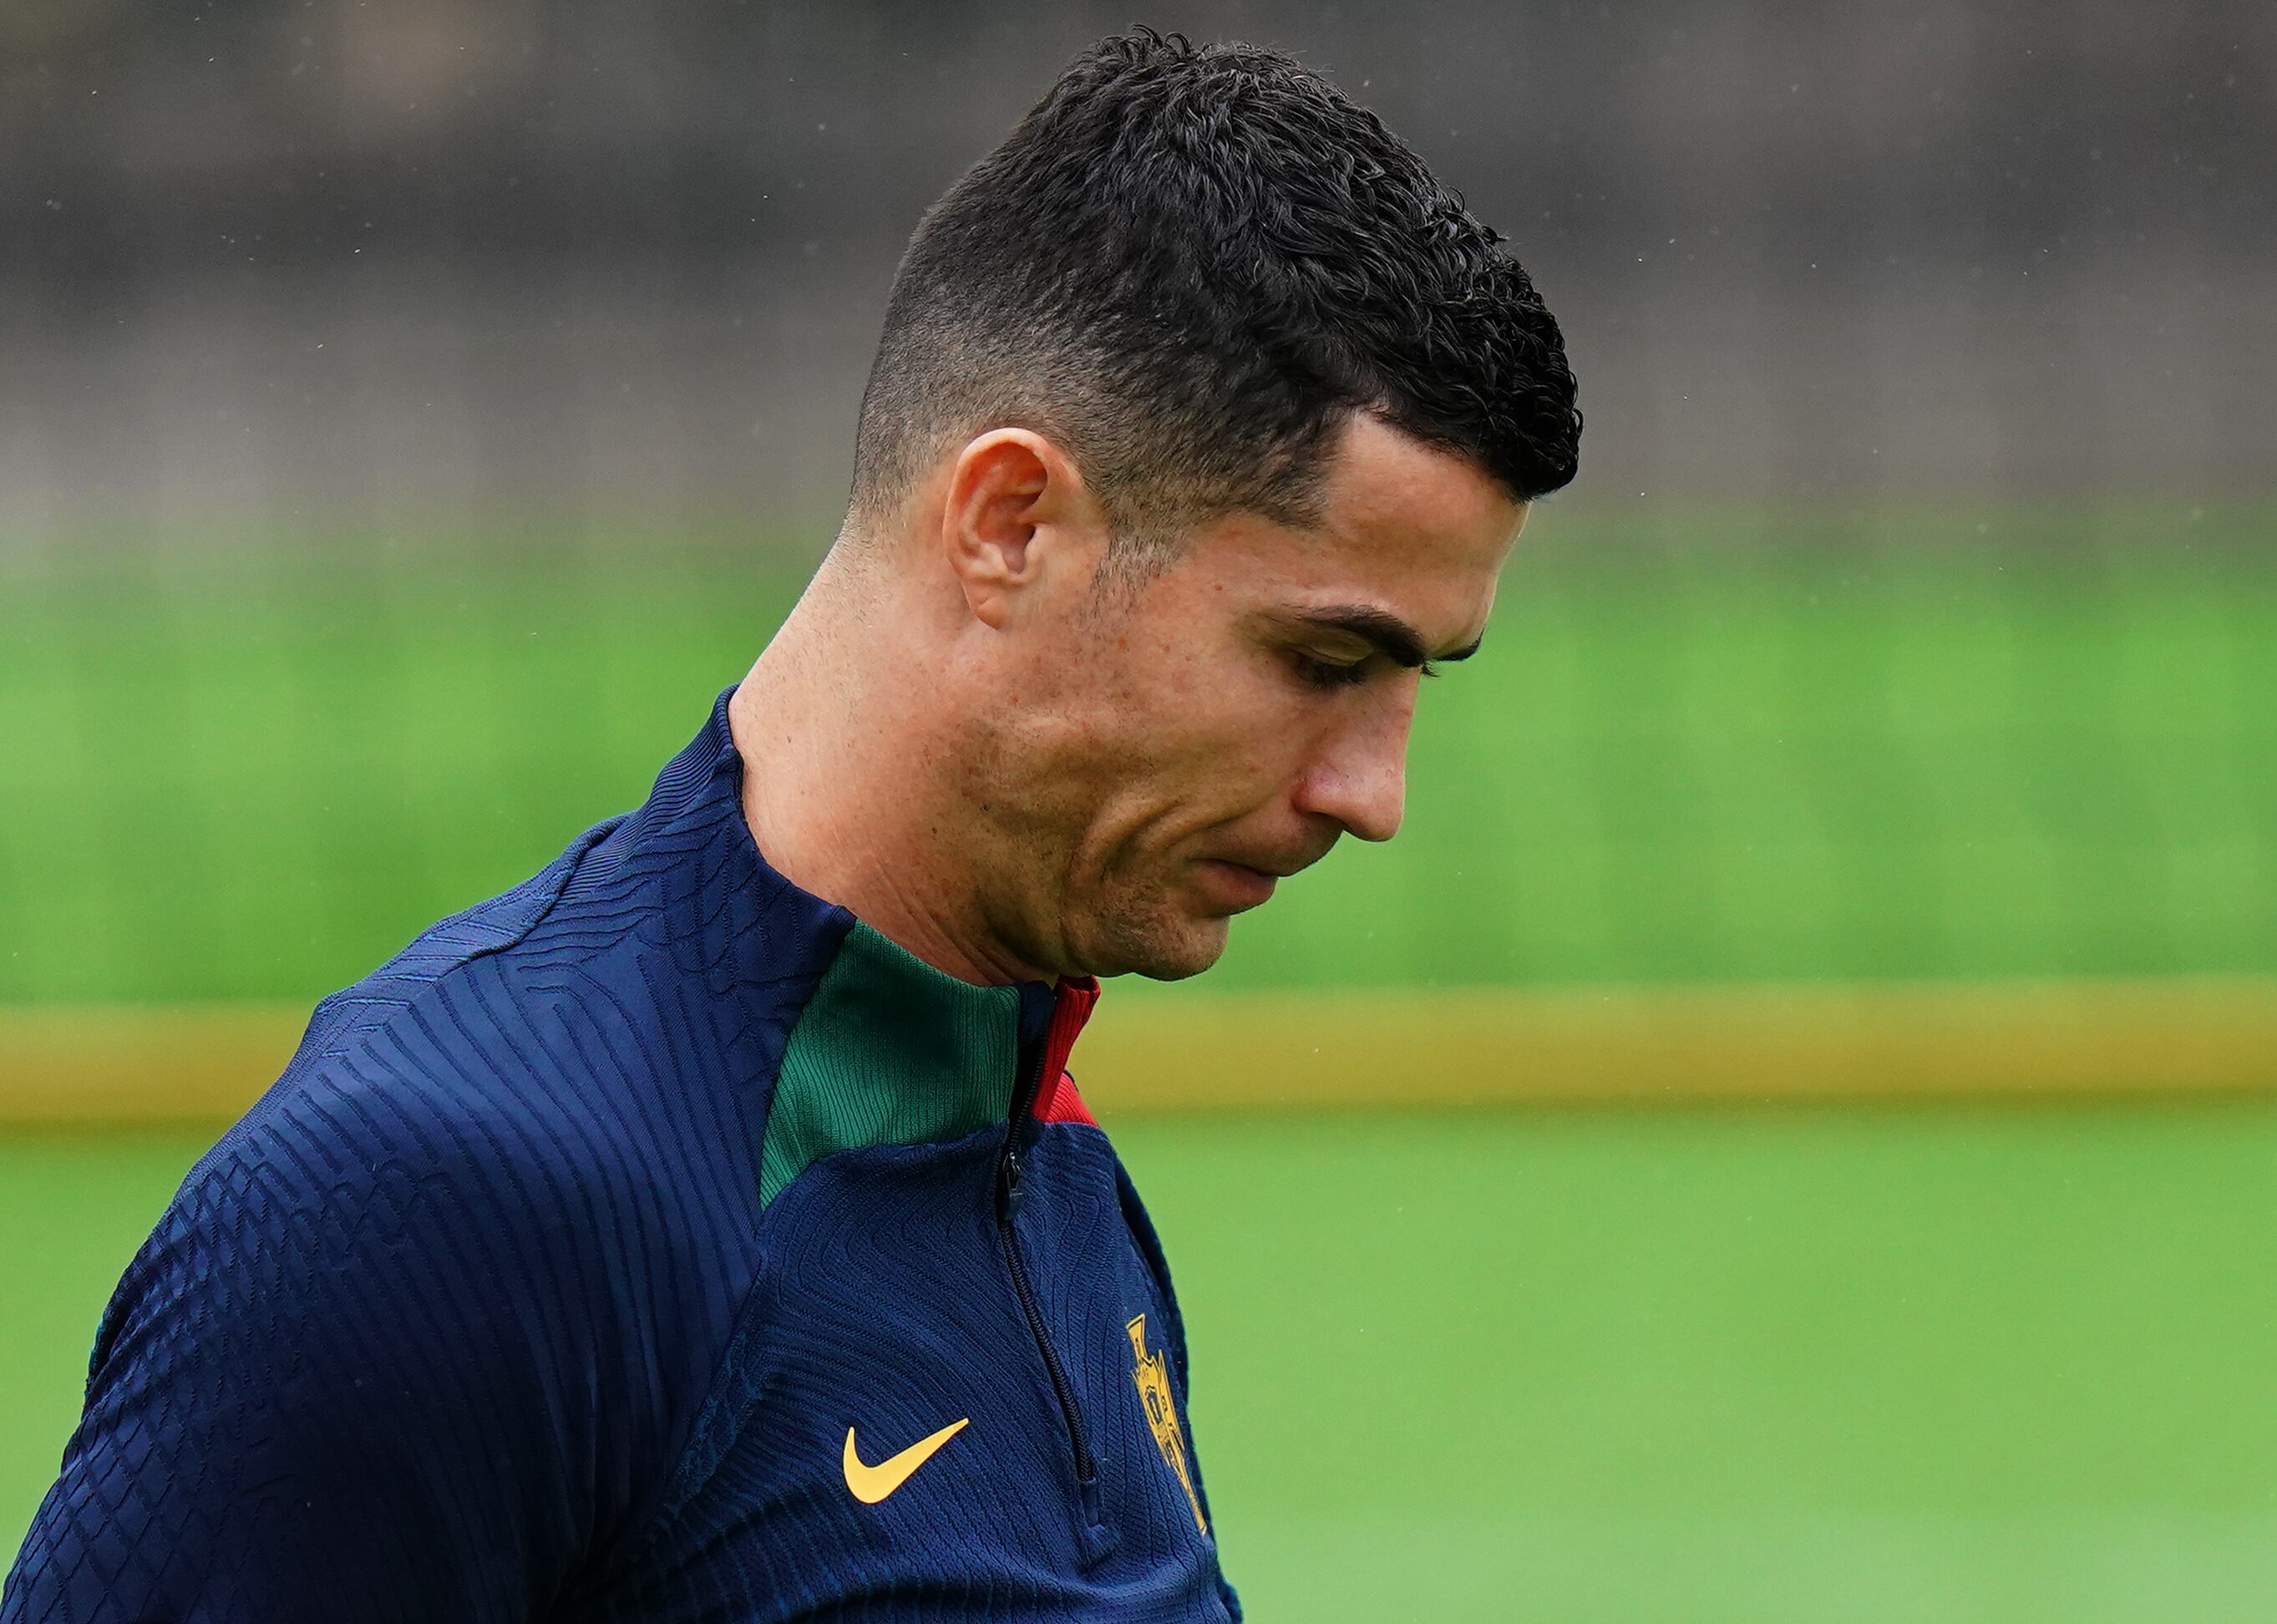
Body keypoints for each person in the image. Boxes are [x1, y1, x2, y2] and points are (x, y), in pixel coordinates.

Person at [4, 28, 1577, 1623]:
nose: (1372, 796)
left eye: (1417, 681)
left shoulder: (1021, 1113)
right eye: (1323, 660)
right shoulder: (453, 1200)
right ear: (1010, 526)